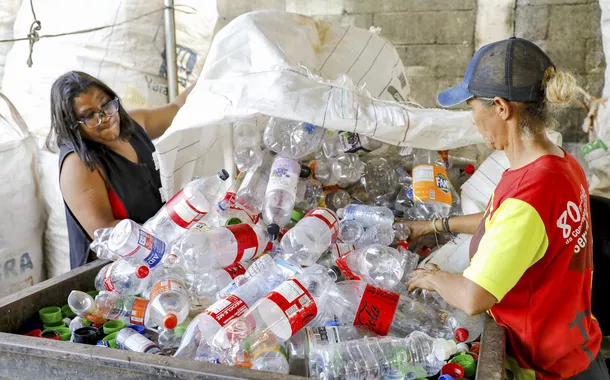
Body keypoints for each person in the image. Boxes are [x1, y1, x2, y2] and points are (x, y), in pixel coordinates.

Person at [401, 38, 607, 380]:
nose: (471, 118)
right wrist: (434, 225)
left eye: (471, 107)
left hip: (546, 367)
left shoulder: (528, 194)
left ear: (500, 107)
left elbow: (473, 297)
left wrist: (436, 279)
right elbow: (507, 226)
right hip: (577, 343)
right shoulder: (560, 165)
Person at [47, 71, 194, 269]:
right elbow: (107, 236)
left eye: (106, 105)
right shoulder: (79, 166)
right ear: (73, 126)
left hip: (164, 254)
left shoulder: (133, 125)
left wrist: (216, 66)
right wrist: (169, 236)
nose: (106, 118)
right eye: (90, 116)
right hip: (118, 274)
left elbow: (177, 108)